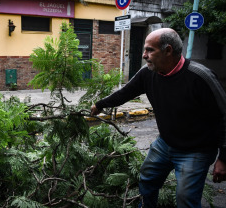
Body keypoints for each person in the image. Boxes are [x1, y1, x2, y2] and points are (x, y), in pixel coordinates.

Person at [90, 28, 226, 208]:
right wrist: (100, 105)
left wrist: (223, 158)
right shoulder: (148, 73)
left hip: (196, 151)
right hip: (165, 144)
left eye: (150, 50)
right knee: (146, 180)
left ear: (168, 50)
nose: (144, 55)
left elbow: (224, 116)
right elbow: (126, 92)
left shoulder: (200, 77)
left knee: (185, 198)